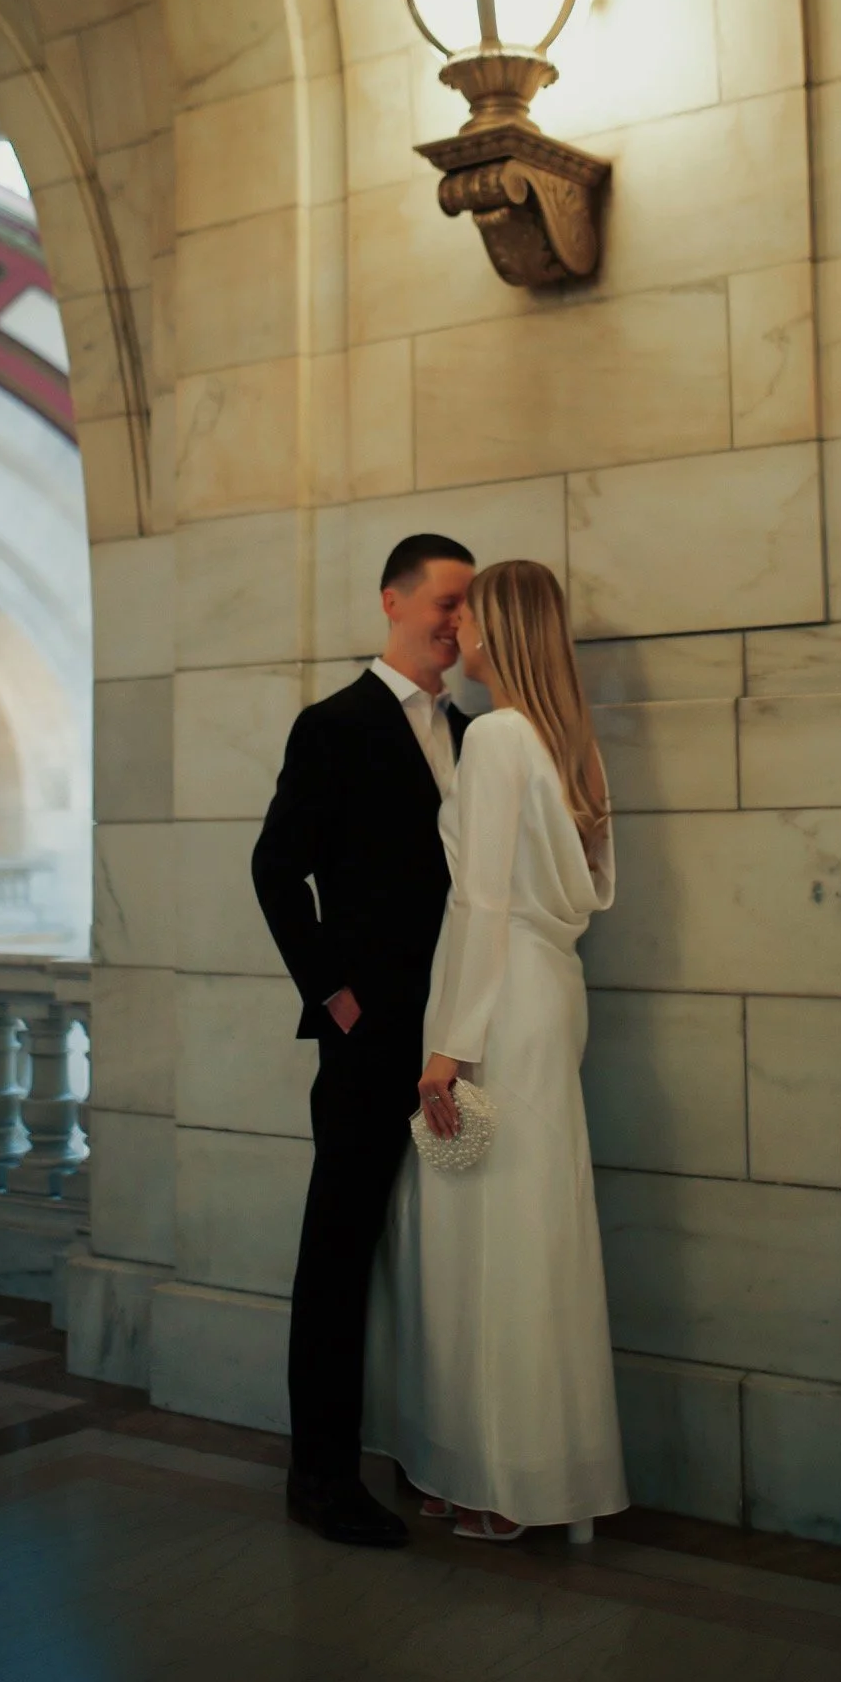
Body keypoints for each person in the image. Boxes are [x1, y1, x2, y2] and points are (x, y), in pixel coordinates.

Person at [374, 558, 628, 1541]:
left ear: (501, 633)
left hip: (497, 1004)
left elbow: (479, 901)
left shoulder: (496, 740)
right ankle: (538, 1475)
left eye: (470, 619)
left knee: (477, 1243)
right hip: (553, 993)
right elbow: (591, 892)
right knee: (536, 1231)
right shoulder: (572, 745)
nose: (458, 635)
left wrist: (448, 1049)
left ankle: (488, 1480)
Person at [252, 532, 475, 1548]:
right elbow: (274, 868)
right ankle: (321, 1478)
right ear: (392, 601)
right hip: (371, 1035)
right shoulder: (332, 725)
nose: (459, 623)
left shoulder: (475, 731)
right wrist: (335, 997)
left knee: (450, 1254)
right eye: (446, 602)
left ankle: (455, 1461)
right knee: (338, 1255)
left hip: (460, 1035)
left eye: (468, 607)